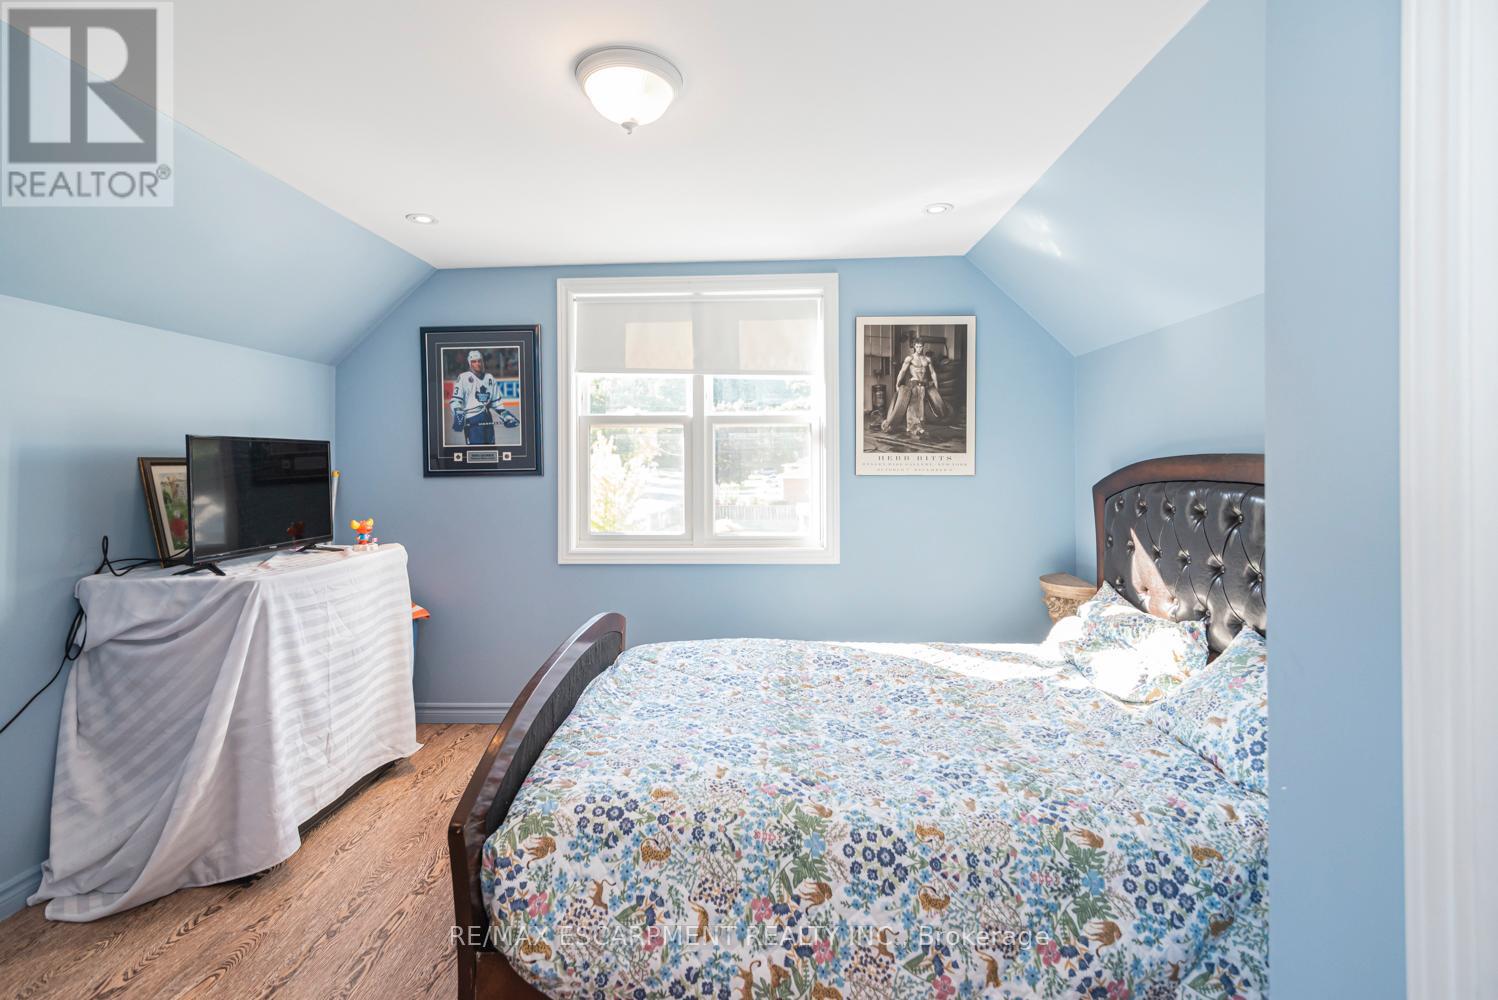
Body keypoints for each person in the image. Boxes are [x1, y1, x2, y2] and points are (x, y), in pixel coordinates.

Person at [450, 349, 519, 444]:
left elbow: (496, 403)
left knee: (491, 449)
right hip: (472, 420)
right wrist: (458, 412)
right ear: (469, 363)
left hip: (487, 418)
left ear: (482, 362)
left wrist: (505, 415)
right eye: (474, 361)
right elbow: (456, 400)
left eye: (479, 361)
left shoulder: (490, 378)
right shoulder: (463, 378)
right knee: (476, 451)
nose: (477, 364)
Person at [880, 336, 944, 438]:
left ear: (923, 347)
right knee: (912, 406)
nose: (919, 349)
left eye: (920, 346)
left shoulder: (927, 359)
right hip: (913, 384)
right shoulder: (910, 358)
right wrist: (897, 384)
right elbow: (902, 371)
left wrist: (936, 386)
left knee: (921, 407)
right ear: (914, 346)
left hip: (923, 385)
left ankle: (919, 427)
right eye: (917, 346)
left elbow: (933, 373)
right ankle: (911, 427)